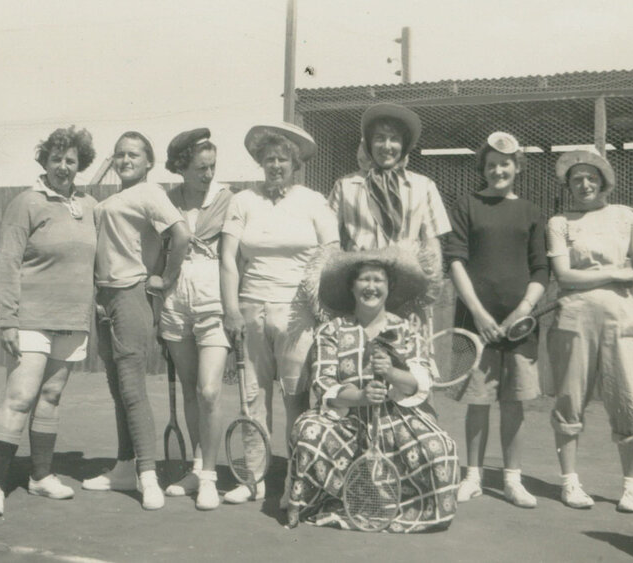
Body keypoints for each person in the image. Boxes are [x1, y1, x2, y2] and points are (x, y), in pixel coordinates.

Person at [285, 246, 458, 532]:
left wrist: (391, 372)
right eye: (364, 279)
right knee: (308, 433)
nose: (371, 287)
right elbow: (323, 383)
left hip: (396, 419)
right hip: (346, 421)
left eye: (379, 280)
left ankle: (409, 509)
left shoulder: (406, 330)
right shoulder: (332, 331)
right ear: (352, 287)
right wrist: (361, 398)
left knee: (440, 449)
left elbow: (421, 380)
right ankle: (325, 502)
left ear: (389, 288)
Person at [0, 126, 98, 516]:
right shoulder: (26, 203)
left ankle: (40, 477)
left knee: (50, 397)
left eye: (71, 160)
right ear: (44, 162)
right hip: (30, 318)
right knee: (21, 396)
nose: (63, 166)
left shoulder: (90, 206)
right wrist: (8, 319)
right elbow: (8, 262)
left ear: (80, 165)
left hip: (72, 319)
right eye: (56, 159)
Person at [220, 123, 339, 505]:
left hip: (298, 314)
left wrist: (321, 307)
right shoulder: (242, 201)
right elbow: (227, 258)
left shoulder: (314, 201)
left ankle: (296, 478)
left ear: (296, 163)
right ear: (260, 162)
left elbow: (331, 254)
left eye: (283, 159)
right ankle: (253, 478)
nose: (275, 165)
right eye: (269, 158)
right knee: (252, 397)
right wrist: (232, 309)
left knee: (296, 398)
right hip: (251, 309)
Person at [81, 132, 190, 511]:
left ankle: (147, 474)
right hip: (104, 298)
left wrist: (165, 277)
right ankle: (126, 466)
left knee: (131, 388)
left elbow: (181, 233)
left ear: (148, 162)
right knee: (116, 388)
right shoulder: (109, 201)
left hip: (131, 295)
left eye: (134, 154)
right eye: (120, 154)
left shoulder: (149, 193)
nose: (126, 159)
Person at [444, 132, 548, 508]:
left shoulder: (532, 212)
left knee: (515, 403)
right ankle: (472, 476)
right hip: (475, 326)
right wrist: (479, 314)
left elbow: (541, 270)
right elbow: (455, 261)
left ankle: (512, 480)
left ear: (517, 167)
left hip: (520, 327)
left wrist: (523, 309)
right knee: (478, 401)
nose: (498, 170)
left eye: (505, 163)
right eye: (491, 165)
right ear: (483, 169)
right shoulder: (465, 205)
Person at [547, 148, 633, 512]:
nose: (585, 184)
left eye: (591, 177)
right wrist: (611, 273)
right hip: (573, 320)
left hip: (621, 320)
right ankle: (570, 483)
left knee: (628, 400)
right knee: (569, 400)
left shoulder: (625, 218)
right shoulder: (559, 222)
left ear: (604, 181)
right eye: (577, 179)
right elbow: (564, 276)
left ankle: (631, 489)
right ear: (568, 185)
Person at [156, 128, 233, 510]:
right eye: (200, 168)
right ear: (182, 168)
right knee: (189, 388)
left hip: (213, 297)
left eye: (212, 166)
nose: (207, 174)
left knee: (209, 391)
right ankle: (197, 467)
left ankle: (211, 478)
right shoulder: (167, 201)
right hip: (175, 299)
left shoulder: (227, 198)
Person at [329, 102, 451, 257]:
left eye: (394, 139)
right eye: (380, 138)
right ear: (369, 143)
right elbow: (328, 239)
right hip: (361, 275)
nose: (387, 146)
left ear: (404, 145)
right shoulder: (344, 186)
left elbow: (431, 242)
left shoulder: (424, 186)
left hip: (407, 274)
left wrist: (432, 279)